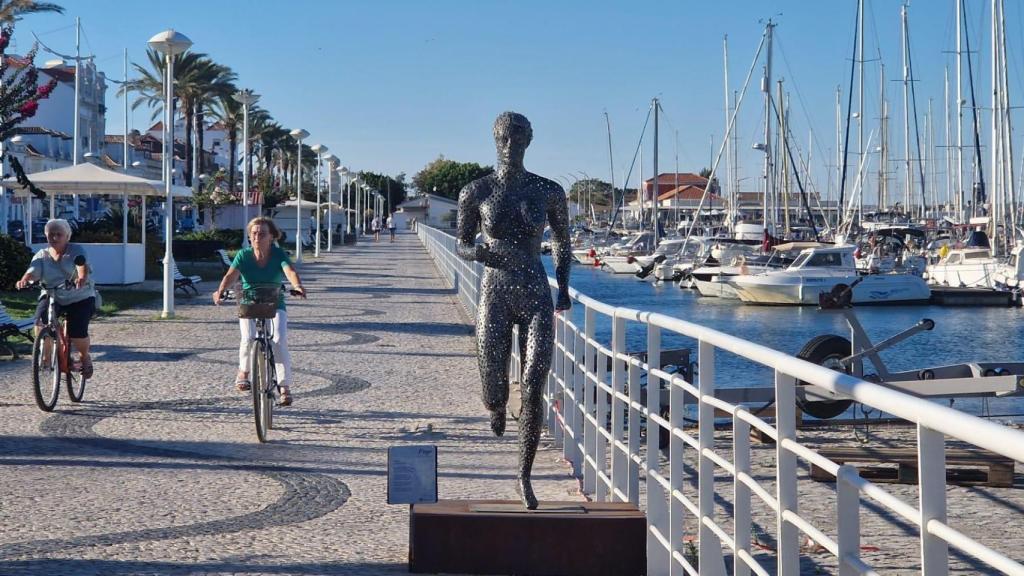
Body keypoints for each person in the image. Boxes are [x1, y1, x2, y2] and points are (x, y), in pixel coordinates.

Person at [456, 111, 571, 509]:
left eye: (518, 138)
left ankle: (524, 475)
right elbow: (461, 243)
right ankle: (496, 403)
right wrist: (477, 252)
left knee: (535, 382)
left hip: (535, 291)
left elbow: (562, 240)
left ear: (529, 141)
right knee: (493, 386)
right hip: (495, 292)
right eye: (504, 138)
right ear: (495, 140)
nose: (511, 145)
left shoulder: (548, 190)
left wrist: (564, 287)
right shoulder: (477, 191)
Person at [213, 216, 306, 406]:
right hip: (248, 301)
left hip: (274, 301)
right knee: (248, 338)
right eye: (253, 233)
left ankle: (284, 386)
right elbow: (231, 275)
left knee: (279, 339)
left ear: (271, 236)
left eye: (262, 234)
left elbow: (290, 271)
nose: (257, 237)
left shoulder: (278, 254)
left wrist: (297, 286)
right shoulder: (243, 255)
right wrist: (220, 291)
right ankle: (243, 372)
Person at [15, 218, 97, 378]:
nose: (54, 237)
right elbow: (33, 270)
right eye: (51, 234)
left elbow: (81, 265)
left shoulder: (76, 250)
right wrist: (24, 280)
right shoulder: (42, 255)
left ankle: (84, 356)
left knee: (77, 332)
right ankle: (46, 357)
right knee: (40, 322)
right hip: (52, 294)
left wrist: (81, 278)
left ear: (67, 236)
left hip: (79, 296)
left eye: (59, 234)